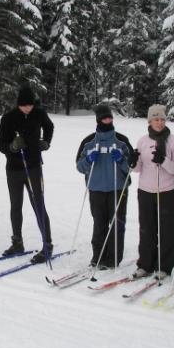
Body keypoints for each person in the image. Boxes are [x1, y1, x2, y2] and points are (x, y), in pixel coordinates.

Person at [0, 84, 54, 264]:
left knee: (38, 204)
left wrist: (46, 142)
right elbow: (0, 144)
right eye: (24, 105)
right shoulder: (8, 118)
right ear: (18, 104)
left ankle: (47, 245)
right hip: (14, 169)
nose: (28, 108)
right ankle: (17, 243)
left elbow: (49, 126)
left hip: (34, 167)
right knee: (16, 206)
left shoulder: (39, 114)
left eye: (30, 105)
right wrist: (12, 147)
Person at [76, 105, 134, 269]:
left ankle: (113, 258)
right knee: (99, 224)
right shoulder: (88, 142)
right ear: (98, 120)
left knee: (117, 224)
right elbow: (79, 167)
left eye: (109, 118)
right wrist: (88, 159)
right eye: (104, 118)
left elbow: (131, 166)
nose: (107, 120)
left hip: (118, 188)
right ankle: (98, 256)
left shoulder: (121, 140)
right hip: (96, 189)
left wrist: (121, 160)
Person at [131, 104, 174, 278]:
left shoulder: (173, 141)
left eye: (162, 119)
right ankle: (145, 264)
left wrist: (164, 160)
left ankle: (164, 266)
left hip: (168, 191)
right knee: (147, 229)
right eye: (156, 119)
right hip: (145, 190)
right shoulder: (143, 141)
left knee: (167, 229)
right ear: (150, 121)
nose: (159, 123)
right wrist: (132, 162)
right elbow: (138, 168)